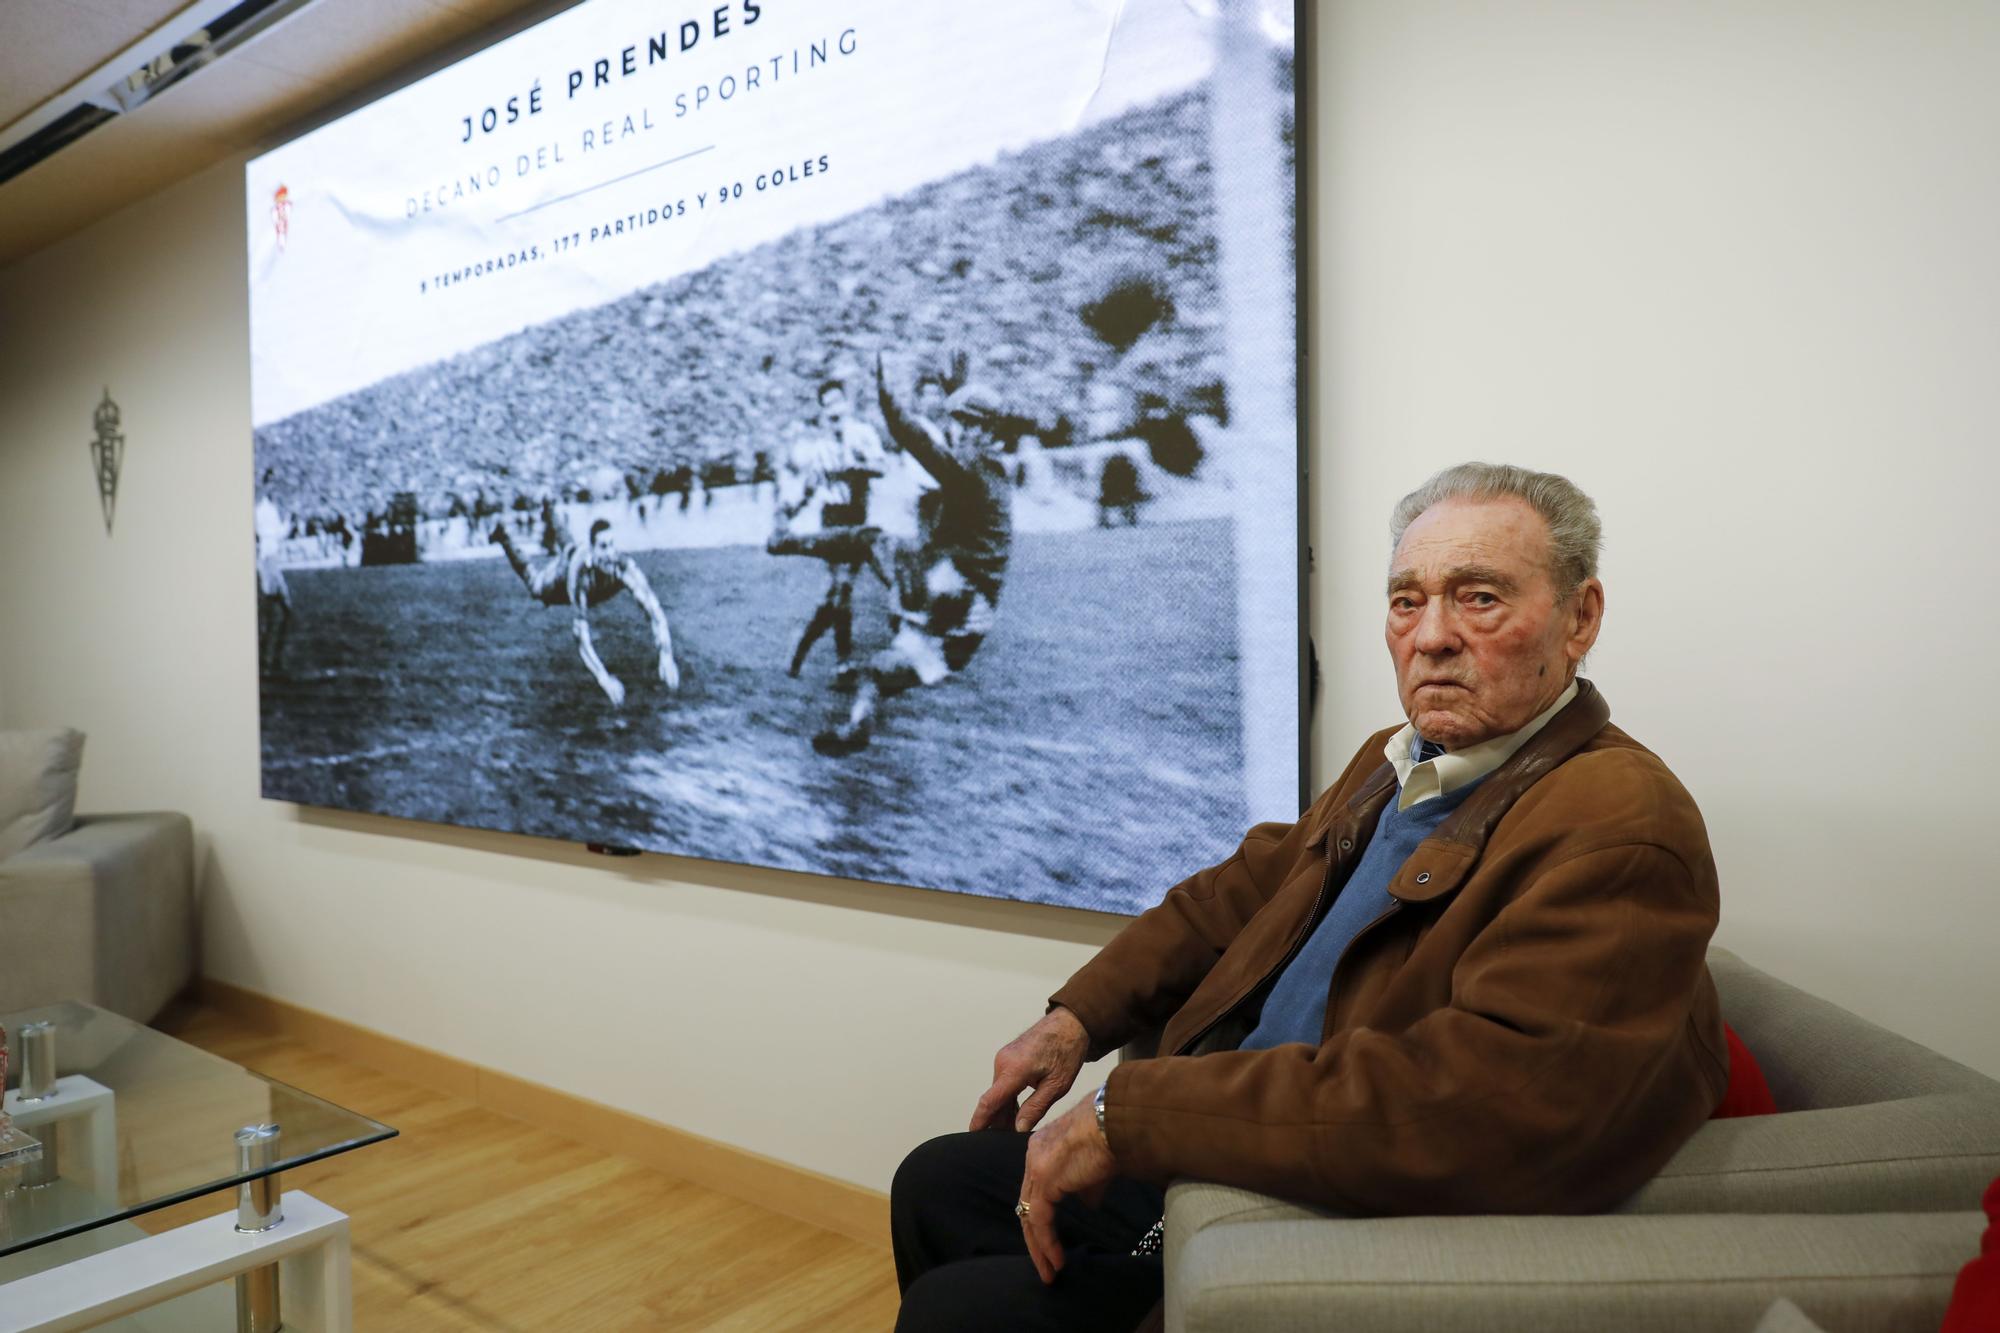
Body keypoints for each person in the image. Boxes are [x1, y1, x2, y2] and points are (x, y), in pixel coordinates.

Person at [890, 463, 1728, 1332]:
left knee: (956, 1312)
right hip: (1223, 1142)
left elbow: (1478, 1103)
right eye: (1407, 601)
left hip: (1323, 1209)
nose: (1431, 635)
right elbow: (1238, 892)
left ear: (1580, 616)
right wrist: (1076, 1019)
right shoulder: (1396, 757)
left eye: (1478, 598)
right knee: (935, 1183)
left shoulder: (1621, 819)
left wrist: (1126, 1114)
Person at [810, 355, 1014, 756]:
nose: (958, 428)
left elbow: (921, 444)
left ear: (979, 427)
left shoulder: (970, 472)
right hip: (968, 618)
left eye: (965, 422)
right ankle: (857, 726)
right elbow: (959, 447)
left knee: (882, 548)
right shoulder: (991, 469)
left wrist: (887, 402)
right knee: (880, 670)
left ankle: (795, 545)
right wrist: (959, 391)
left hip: (956, 596)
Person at [767, 379, 891, 676]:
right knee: (843, 587)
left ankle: (803, 645)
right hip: (832, 519)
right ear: (822, 411)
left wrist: (856, 468)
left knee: (837, 594)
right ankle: (843, 660)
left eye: (837, 401)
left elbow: (882, 467)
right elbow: (811, 486)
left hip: (858, 517)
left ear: (846, 404)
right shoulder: (818, 446)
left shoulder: (863, 434)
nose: (834, 408)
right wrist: (790, 511)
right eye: (827, 404)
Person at [493, 517, 679, 707]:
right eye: (603, 546)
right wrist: (603, 678)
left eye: (612, 545)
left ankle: (549, 508)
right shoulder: (579, 574)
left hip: (583, 562)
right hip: (563, 574)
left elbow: (654, 611)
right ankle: (504, 536)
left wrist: (666, 653)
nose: (609, 553)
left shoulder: (623, 566)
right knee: (536, 587)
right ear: (592, 550)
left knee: (569, 543)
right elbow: (581, 638)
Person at [254, 472, 291, 675]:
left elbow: (278, 534)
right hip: (267, 560)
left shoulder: (272, 509)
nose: (276, 489)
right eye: (273, 485)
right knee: (271, 613)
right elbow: (266, 535)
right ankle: (266, 662)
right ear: (266, 485)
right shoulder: (261, 509)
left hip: (272, 560)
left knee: (283, 611)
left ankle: (271, 660)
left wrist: (287, 522)